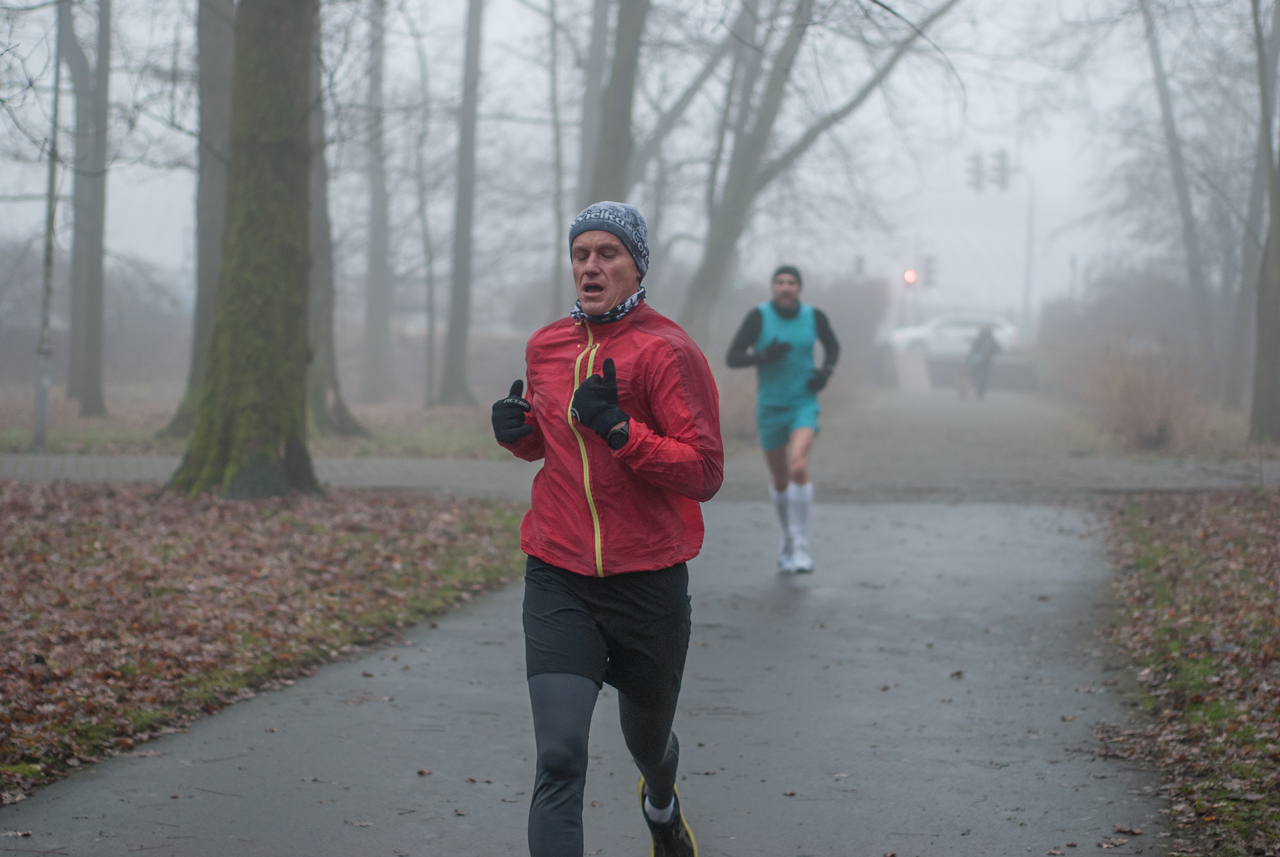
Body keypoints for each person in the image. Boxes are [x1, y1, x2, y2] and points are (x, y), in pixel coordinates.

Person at [491, 201, 723, 857]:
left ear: (636, 265)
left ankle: (661, 805)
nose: (591, 266)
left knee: (648, 744)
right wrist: (520, 435)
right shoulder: (546, 347)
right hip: (559, 574)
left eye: (608, 253)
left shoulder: (668, 352)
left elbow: (704, 470)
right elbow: (553, 445)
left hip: (648, 583)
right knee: (560, 756)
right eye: (581, 253)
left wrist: (623, 430)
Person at [725, 265, 839, 574]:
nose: (785, 287)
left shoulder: (814, 317)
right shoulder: (758, 317)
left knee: (798, 466)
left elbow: (832, 346)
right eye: (780, 282)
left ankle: (800, 542)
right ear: (773, 287)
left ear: (799, 288)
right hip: (770, 407)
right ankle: (787, 539)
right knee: (780, 479)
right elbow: (732, 357)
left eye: (791, 282)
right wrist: (762, 357)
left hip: (803, 402)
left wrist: (825, 373)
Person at [967, 324, 1001, 399]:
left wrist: (969, 358)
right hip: (987, 361)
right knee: (985, 375)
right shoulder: (991, 339)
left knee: (976, 374)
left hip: (977, 361)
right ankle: (981, 390)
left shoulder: (979, 338)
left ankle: (977, 388)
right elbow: (997, 348)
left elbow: (973, 349)